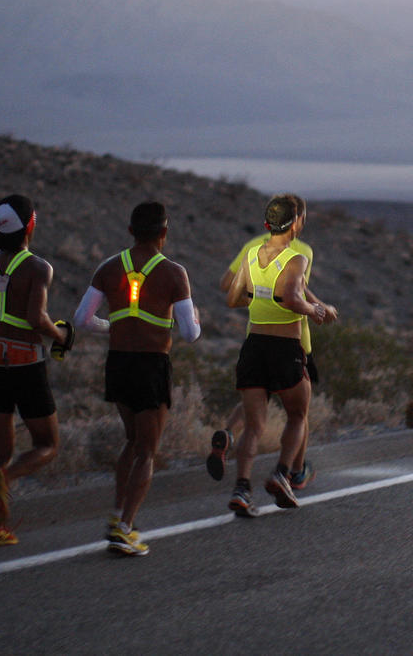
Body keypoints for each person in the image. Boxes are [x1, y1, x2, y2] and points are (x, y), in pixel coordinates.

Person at [73, 201, 201, 556]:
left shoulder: (108, 268)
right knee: (147, 451)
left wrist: (112, 326)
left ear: (131, 231)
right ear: (164, 232)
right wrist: (198, 320)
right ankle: (125, 528)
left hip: (117, 364)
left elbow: (82, 319)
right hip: (151, 366)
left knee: (131, 441)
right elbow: (190, 334)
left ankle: (117, 516)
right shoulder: (175, 273)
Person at [0, 194, 72, 548]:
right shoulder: (38, 268)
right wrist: (61, 335)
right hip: (26, 364)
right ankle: (6, 481)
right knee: (47, 445)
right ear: (30, 226)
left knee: (0, 450)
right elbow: (37, 319)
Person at [208, 194, 333, 490]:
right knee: (298, 414)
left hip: (255, 338)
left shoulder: (253, 250)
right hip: (292, 341)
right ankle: (291, 472)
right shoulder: (301, 252)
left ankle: (236, 466)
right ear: (297, 222)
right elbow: (295, 293)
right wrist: (317, 309)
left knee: (255, 413)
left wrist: (259, 296)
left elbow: (229, 289)